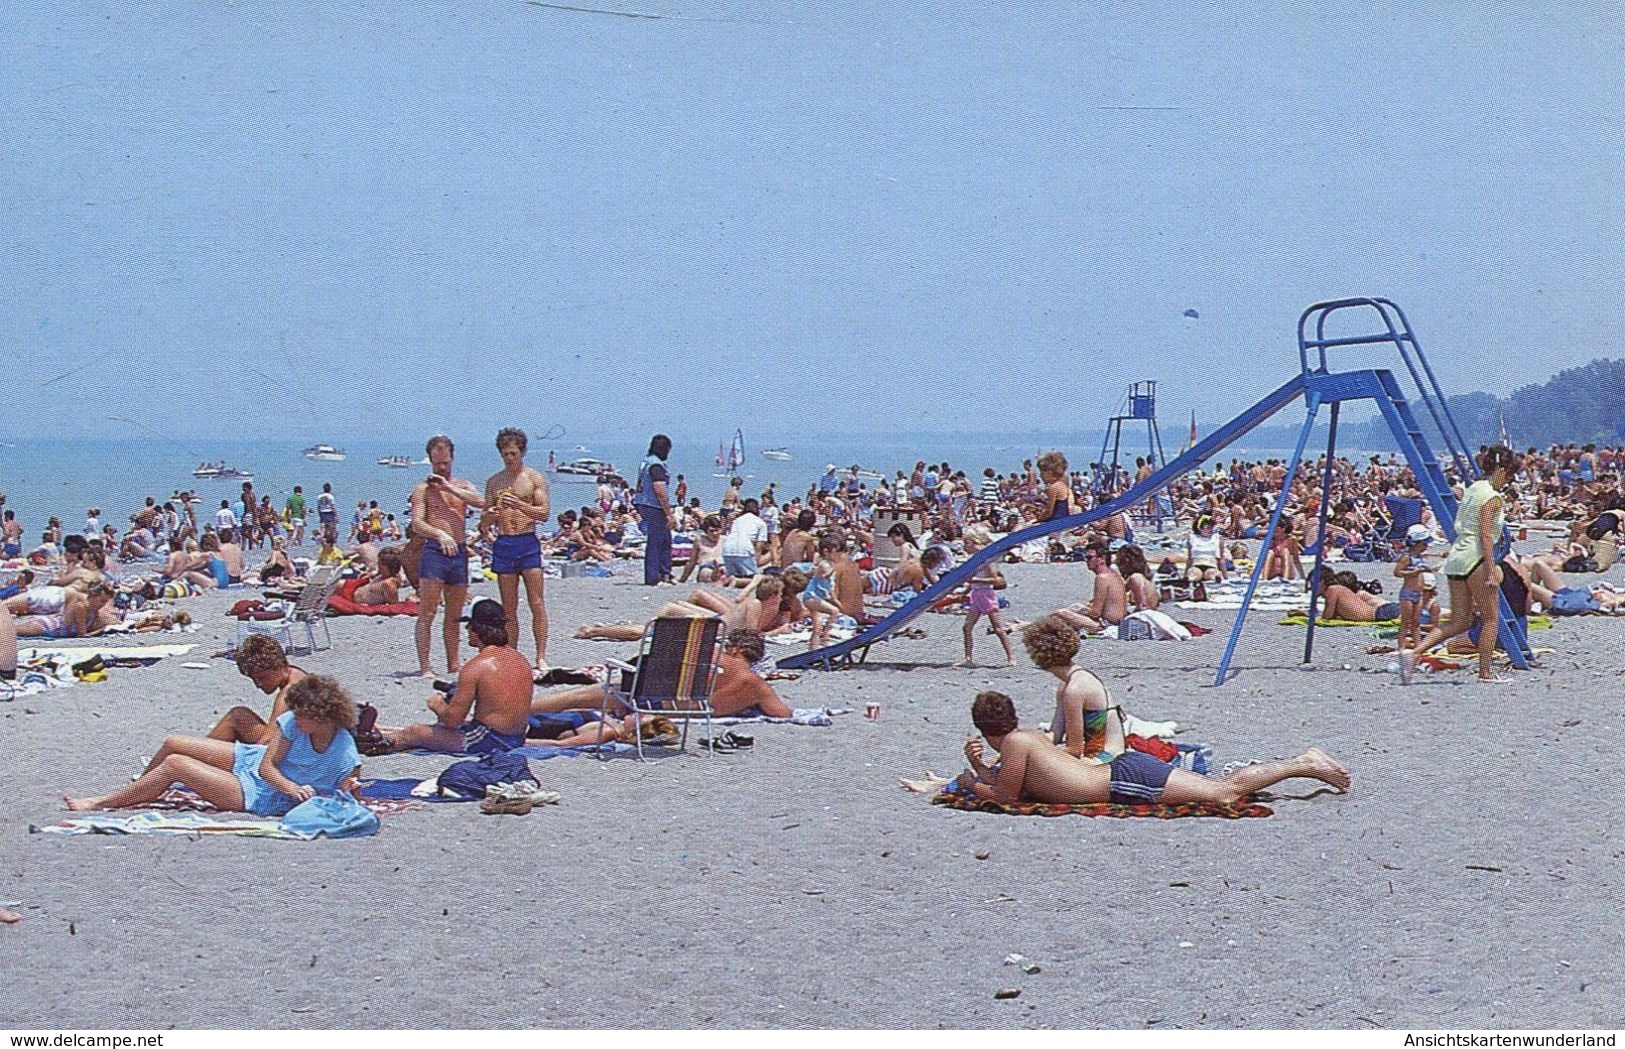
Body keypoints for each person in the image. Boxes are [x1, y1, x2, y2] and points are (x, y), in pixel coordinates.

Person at [923, 691, 1348, 806]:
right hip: (1124, 772)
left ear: (983, 728)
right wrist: (979, 767)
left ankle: (1304, 763)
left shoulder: (1015, 745)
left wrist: (969, 780)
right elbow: (1026, 780)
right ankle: (1300, 763)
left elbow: (1006, 796)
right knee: (1219, 787)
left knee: (1224, 793)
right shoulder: (1027, 739)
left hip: (1124, 782)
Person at [66, 675, 361, 814]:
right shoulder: (294, 726)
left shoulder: (345, 752)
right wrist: (291, 785)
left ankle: (101, 802)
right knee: (172, 743)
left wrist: (348, 791)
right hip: (260, 768)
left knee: (176, 764)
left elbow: (348, 795)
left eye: (301, 715)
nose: (293, 719)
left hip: (263, 795)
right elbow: (266, 765)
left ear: (321, 717)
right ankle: (136, 792)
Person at [1403, 446, 1521, 684]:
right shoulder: (1492, 497)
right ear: (1501, 470)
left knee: (1459, 621)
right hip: (1476, 556)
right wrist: (1490, 569)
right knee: (1490, 618)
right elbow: (1486, 535)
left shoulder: (1473, 489)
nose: (1509, 480)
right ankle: (1485, 672)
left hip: (1457, 556)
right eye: (1509, 475)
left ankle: (1414, 652)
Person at [379, 598, 533, 754]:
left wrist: (437, 704)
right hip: (516, 737)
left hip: (489, 740)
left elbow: (453, 720)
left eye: (468, 626)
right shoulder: (520, 659)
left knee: (415, 732)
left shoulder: (476, 666)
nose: (467, 630)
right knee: (438, 730)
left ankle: (375, 747)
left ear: (474, 628)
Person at [410, 434, 487, 678]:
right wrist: (439, 535)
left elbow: (481, 502)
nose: (440, 468)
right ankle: (425, 666)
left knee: (455, 613)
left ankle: (453, 662)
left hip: (460, 552)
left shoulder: (461, 486)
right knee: (428, 611)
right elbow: (417, 524)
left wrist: (447, 486)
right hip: (435, 551)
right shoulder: (422, 490)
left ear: (451, 458)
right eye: (436, 464)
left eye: (444, 463)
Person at [481, 427, 552, 670]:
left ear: (521, 452)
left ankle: (540, 656)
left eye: (513, 453)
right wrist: (489, 517)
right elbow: (484, 522)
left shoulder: (534, 478)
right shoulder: (494, 481)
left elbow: (543, 514)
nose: (509, 458)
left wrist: (520, 504)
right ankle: (512, 654)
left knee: (537, 602)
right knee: (508, 606)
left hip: (527, 541)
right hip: (505, 542)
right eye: (505, 454)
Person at [199, 635, 309, 750]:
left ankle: (198, 755)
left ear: (280, 665)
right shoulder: (295, 673)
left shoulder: (289, 693)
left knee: (236, 718)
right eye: (254, 679)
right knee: (239, 716)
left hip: (297, 755)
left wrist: (246, 758)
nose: (258, 684)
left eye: (262, 677)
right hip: (299, 745)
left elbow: (268, 741)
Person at [632, 434, 676, 586]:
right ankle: (654, 576)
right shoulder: (656, 465)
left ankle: (664, 572)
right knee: (657, 541)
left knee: (664, 539)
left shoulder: (646, 462)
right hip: (653, 505)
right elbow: (660, 490)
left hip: (642, 502)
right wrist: (669, 513)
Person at [1393, 523, 1434, 649]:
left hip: (1419, 593)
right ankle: (1401, 648)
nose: (1426, 546)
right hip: (1408, 593)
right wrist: (1412, 573)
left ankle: (1418, 647)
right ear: (1417, 543)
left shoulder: (1419, 556)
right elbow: (1397, 572)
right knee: (1405, 622)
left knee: (1416, 623)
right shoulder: (1407, 557)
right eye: (1424, 543)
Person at [720, 497, 769, 581]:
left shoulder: (737, 520)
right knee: (752, 579)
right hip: (744, 550)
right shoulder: (760, 522)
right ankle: (737, 582)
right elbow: (759, 546)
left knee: (733, 576)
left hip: (727, 549)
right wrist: (755, 563)